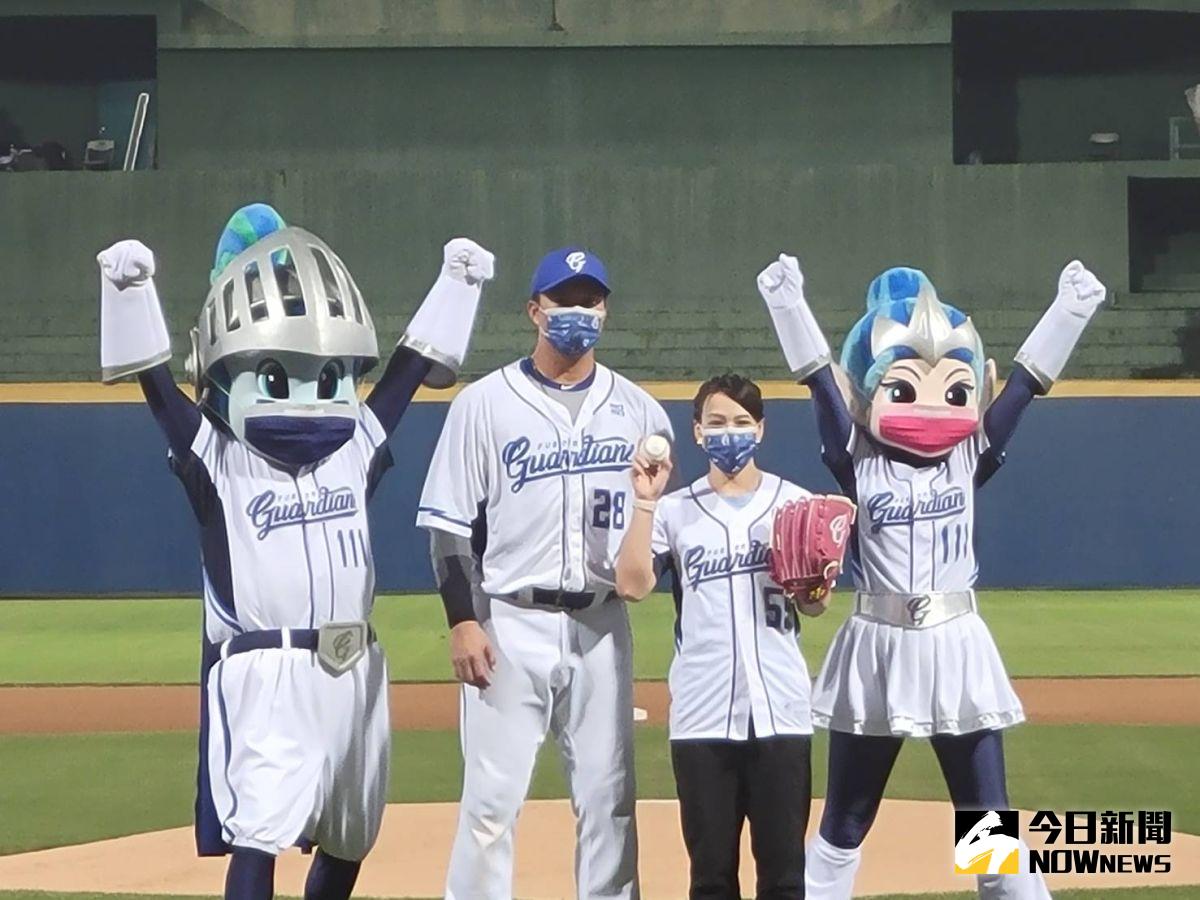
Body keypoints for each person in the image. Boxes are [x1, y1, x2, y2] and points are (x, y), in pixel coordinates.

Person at [96, 203, 493, 900]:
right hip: (265, 669)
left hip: (355, 664)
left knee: (352, 830)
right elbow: (158, 390)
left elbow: (403, 377)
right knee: (261, 829)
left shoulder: (353, 449)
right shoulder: (220, 459)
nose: (312, 396)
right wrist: (128, 292)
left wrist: (457, 286)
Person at [755, 253, 1105, 900]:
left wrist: (1070, 309)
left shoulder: (969, 456)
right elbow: (820, 384)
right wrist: (787, 304)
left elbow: (1024, 387)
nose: (930, 405)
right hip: (877, 645)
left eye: (952, 389)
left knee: (988, 827)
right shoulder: (856, 458)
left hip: (955, 642)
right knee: (844, 823)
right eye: (904, 387)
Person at [417, 246, 673, 900]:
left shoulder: (641, 412)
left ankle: (609, 899)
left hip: (602, 623)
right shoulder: (483, 403)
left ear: (606, 311)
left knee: (609, 800)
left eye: (591, 300)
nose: (579, 312)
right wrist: (462, 619)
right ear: (535, 310)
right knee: (490, 803)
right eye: (565, 300)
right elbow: (447, 522)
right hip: (511, 623)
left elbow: (656, 539)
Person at [615, 372, 828, 900]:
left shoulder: (794, 505)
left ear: (760, 429)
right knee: (710, 878)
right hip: (702, 712)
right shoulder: (674, 511)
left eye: (740, 421)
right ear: (697, 431)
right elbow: (633, 586)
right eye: (716, 422)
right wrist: (644, 500)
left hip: (781, 706)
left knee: (785, 877)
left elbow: (814, 606)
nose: (728, 432)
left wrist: (814, 584)